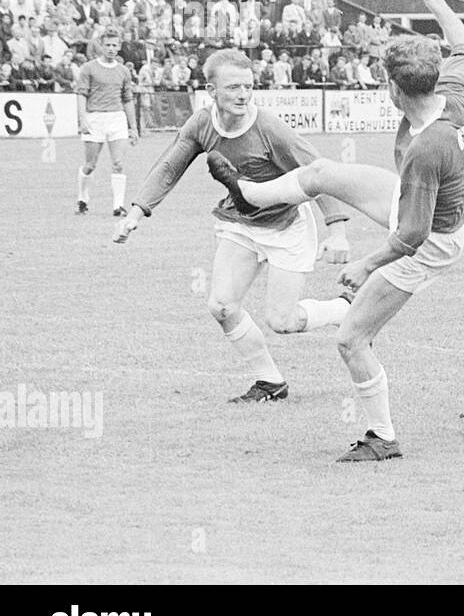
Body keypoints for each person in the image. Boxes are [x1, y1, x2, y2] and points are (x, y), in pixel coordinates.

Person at [208, 0, 464, 461]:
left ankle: (383, 437)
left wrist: (365, 266)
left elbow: (412, 235)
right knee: (320, 172)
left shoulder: (426, 148)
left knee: (352, 339)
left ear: (393, 88)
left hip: (428, 239)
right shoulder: (452, 92)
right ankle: (250, 194)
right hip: (425, 204)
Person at [112, 49, 355, 402]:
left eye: (249, 86)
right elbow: (169, 167)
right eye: (233, 88)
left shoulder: (269, 127)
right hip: (239, 222)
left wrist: (338, 230)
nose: (243, 94)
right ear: (212, 91)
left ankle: (343, 309)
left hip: (286, 224)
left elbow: (318, 172)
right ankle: (269, 381)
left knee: (283, 321)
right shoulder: (201, 124)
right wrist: (136, 213)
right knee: (222, 306)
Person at [75, 33, 139, 216]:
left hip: (116, 118)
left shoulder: (123, 71)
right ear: (101, 46)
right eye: (108, 45)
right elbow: (81, 94)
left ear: (119, 47)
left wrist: (133, 127)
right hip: (95, 118)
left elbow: (127, 100)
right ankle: (82, 199)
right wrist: (83, 119)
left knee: (118, 163)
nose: (111, 48)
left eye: (114, 45)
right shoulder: (89, 68)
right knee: (90, 165)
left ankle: (118, 206)